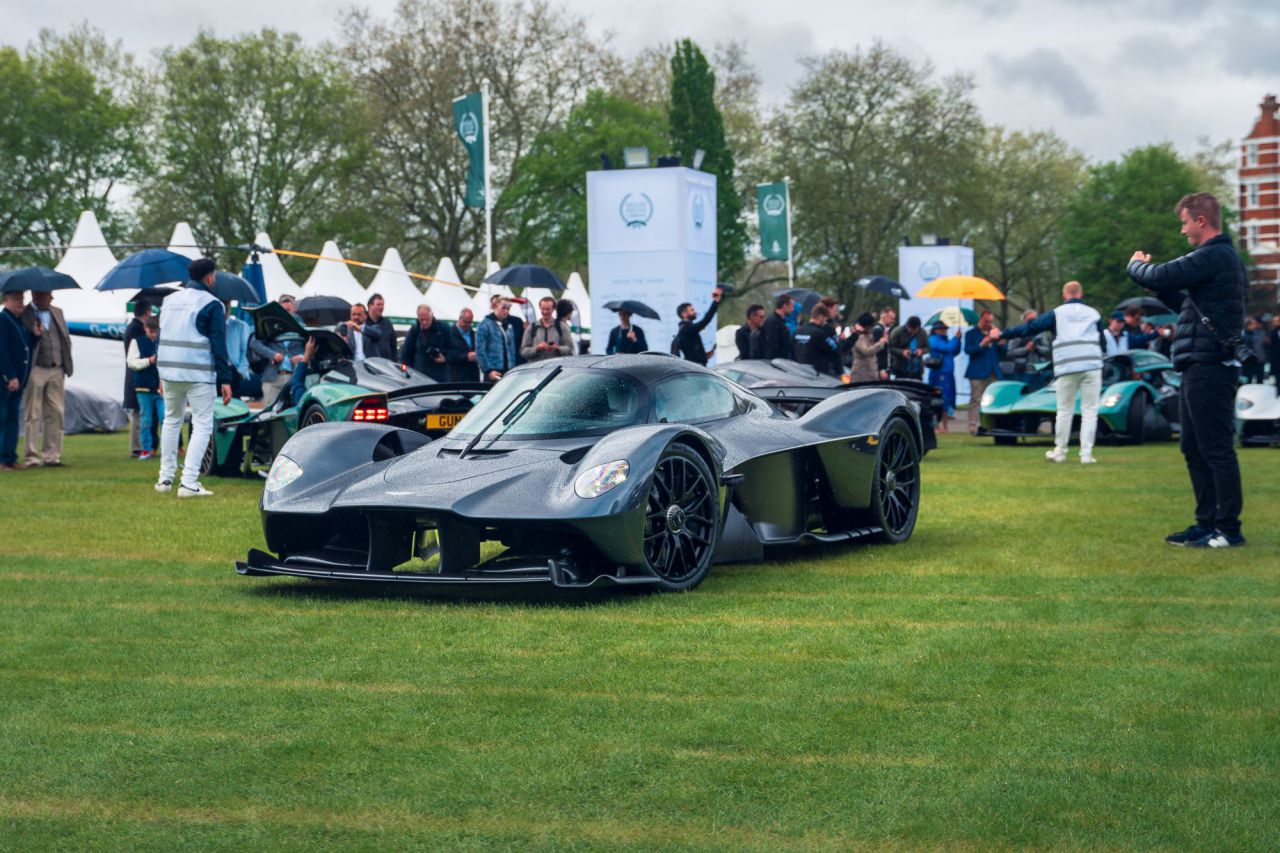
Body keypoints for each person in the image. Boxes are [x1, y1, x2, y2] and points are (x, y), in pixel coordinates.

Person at [1127, 191, 1247, 547]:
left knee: (1216, 448)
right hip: (1200, 365)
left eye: (1183, 223)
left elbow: (1164, 272)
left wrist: (1135, 266)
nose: (1182, 231)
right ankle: (1206, 523)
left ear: (1200, 221)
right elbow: (1189, 308)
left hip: (1210, 365)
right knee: (1194, 448)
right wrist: (1159, 291)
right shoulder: (1216, 261)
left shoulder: (1215, 255)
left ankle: (1228, 529)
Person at [999, 281, 1104, 463]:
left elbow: (1029, 328)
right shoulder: (1093, 313)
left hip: (1067, 366)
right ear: (1081, 294)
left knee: (1064, 410)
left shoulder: (1057, 313)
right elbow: (1102, 342)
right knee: (1090, 411)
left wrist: (1002, 334)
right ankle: (1086, 454)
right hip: (1092, 366)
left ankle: (1060, 451)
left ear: (1065, 295)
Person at [155, 258, 233, 498]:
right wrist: (226, 378)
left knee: (171, 421)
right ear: (209, 277)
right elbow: (218, 343)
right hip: (198, 372)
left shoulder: (168, 300)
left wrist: (160, 373)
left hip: (168, 370)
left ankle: (165, 479)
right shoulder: (212, 303)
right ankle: (189, 482)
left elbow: (161, 336)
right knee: (201, 425)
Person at [20, 289, 73, 467]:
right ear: (36, 296)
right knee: (32, 414)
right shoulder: (24, 314)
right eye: (46, 295)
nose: (50, 298)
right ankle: (31, 457)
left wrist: (65, 362)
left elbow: (65, 338)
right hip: (36, 368)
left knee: (56, 413)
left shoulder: (57, 312)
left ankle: (52, 456)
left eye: (50, 295)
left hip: (57, 368)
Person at [0, 291, 34, 471]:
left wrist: (35, 335)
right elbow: (2, 350)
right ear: (6, 300)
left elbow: (25, 347)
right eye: (16, 299)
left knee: (13, 419)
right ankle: (1, 459)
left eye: (22, 299)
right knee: (2, 418)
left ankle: (10, 457)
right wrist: (9, 376)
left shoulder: (19, 320)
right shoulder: (3, 319)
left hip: (19, 379)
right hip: (6, 379)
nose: (21, 303)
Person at [248, 299, 306, 404]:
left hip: (294, 378)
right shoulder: (269, 326)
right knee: (270, 415)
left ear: (294, 311)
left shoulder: (302, 328)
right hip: (272, 379)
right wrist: (272, 355)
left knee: (293, 414)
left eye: (288, 310)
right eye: (282, 310)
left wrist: (301, 357)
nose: (285, 313)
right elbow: (254, 343)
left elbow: (310, 347)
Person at [126, 317, 164, 460]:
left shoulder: (162, 342)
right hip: (143, 388)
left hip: (161, 388)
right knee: (146, 420)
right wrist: (148, 361)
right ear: (145, 328)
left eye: (156, 332)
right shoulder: (137, 342)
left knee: (165, 419)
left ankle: (165, 449)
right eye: (151, 331)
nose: (153, 334)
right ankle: (146, 449)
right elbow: (131, 363)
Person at [964, 310, 1005, 435]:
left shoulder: (996, 333)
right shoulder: (971, 334)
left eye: (991, 321)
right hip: (977, 372)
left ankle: (991, 424)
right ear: (981, 320)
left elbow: (1004, 352)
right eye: (986, 321)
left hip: (993, 371)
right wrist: (983, 343)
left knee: (993, 399)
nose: (988, 324)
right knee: (976, 399)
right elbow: (968, 350)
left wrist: (1002, 342)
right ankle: (973, 425)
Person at [123, 299, 152, 457]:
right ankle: (137, 447)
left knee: (139, 412)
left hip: (135, 375)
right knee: (138, 412)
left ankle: (141, 445)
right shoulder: (136, 329)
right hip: (136, 376)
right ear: (147, 312)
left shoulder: (132, 327)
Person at [400, 304, 450, 381]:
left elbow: (455, 350)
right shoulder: (414, 330)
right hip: (419, 377)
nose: (424, 322)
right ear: (418, 318)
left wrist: (445, 358)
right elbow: (405, 355)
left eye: (427, 319)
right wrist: (406, 374)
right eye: (421, 320)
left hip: (440, 377)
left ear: (432, 315)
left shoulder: (444, 329)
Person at [673, 288, 724, 365]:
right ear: (684, 314)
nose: (695, 312)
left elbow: (692, 350)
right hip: (694, 368)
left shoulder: (687, 329)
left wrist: (704, 356)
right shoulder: (686, 329)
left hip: (696, 367)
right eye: (692, 310)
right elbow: (706, 320)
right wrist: (716, 301)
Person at [927, 321, 960, 430]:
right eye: (941, 329)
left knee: (947, 398)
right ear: (935, 330)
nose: (944, 331)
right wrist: (955, 338)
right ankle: (936, 426)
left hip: (948, 372)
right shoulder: (933, 339)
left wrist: (958, 340)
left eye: (945, 329)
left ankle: (945, 427)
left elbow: (955, 351)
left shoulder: (946, 340)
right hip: (939, 373)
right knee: (938, 399)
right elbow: (948, 348)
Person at [476, 296, 518, 382]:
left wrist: (513, 369)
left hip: (508, 370)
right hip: (493, 370)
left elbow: (512, 350)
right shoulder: (485, 324)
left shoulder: (509, 326)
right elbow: (480, 351)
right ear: (495, 306)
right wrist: (488, 370)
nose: (506, 311)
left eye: (508, 308)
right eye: (503, 308)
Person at [794, 303, 842, 376]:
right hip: (815, 375)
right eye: (825, 318)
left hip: (797, 372)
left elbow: (792, 351)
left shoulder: (797, 331)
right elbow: (835, 350)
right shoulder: (819, 334)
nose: (825, 322)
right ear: (821, 316)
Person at [521, 296, 574, 362]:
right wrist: (537, 348)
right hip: (535, 369)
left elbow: (571, 349)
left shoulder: (562, 327)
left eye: (548, 309)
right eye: (543, 309)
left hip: (555, 368)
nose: (545, 312)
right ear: (540, 308)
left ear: (553, 309)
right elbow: (523, 351)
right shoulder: (531, 328)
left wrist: (558, 348)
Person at [1005, 309, 1051, 377]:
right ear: (1024, 319)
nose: (1033, 322)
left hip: (1039, 371)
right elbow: (1010, 353)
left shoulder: (1041, 332)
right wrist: (1026, 349)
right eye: (1030, 319)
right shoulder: (1017, 333)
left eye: (1034, 319)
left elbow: (1047, 349)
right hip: (1022, 371)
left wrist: (1037, 348)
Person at [223, 301, 253, 398]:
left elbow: (246, 351)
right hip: (215, 370)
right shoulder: (212, 326)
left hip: (233, 371)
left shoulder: (241, 326)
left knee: (233, 406)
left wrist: (240, 371)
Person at [847, 312, 886, 382]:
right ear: (867, 326)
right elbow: (867, 351)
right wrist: (880, 343)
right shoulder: (858, 337)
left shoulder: (869, 336)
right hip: (860, 376)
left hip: (871, 375)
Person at [888, 315, 929, 379]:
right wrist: (902, 352)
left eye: (914, 330)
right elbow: (889, 348)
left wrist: (921, 351)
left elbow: (928, 347)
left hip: (917, 371)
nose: (912, 331)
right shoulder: (897, 332)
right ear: (907, 325)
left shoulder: (922, 332)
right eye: (910, 329)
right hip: (901, 370)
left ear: (918, 328)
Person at [446, 307, 480, 382]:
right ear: (460, 319)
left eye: (470, 322)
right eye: (465, 322)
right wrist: (466, 357)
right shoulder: (449, 334)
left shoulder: (474, 334)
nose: (467, 325)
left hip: (473, 377)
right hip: (456, 377)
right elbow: (448, 356)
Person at [758, 294, 794, 361]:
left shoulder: (781, 322)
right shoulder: (773, 322)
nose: (792, 309)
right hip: (775, 364)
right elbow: (771, 346)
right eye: (791, 306)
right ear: (784, 306)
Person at [365, 293, 398, 360]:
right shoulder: (363, 323)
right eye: (378, 305)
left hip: (386, 364)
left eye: (382, 305)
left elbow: (393, 346)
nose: (381, 307)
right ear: (370, 306)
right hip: (368, 363)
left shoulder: (387, 324)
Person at [1242, 316, 1267, 384]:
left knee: (1259, 379)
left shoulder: (1259, 332)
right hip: (1248, 360)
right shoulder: (1243, 333)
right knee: (1247, 379)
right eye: (1253, 323)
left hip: (1259, 358)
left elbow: (1261, 342)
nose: (1255, 325)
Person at [874, 307, 897, 379]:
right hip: (880, 371)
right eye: (891, 318)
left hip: (886, 369)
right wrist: (881, 369)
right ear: (883, 316)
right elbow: (876, 351)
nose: (893, 321)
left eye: (894, 318)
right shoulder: (877, 330)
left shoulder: (884, 330)